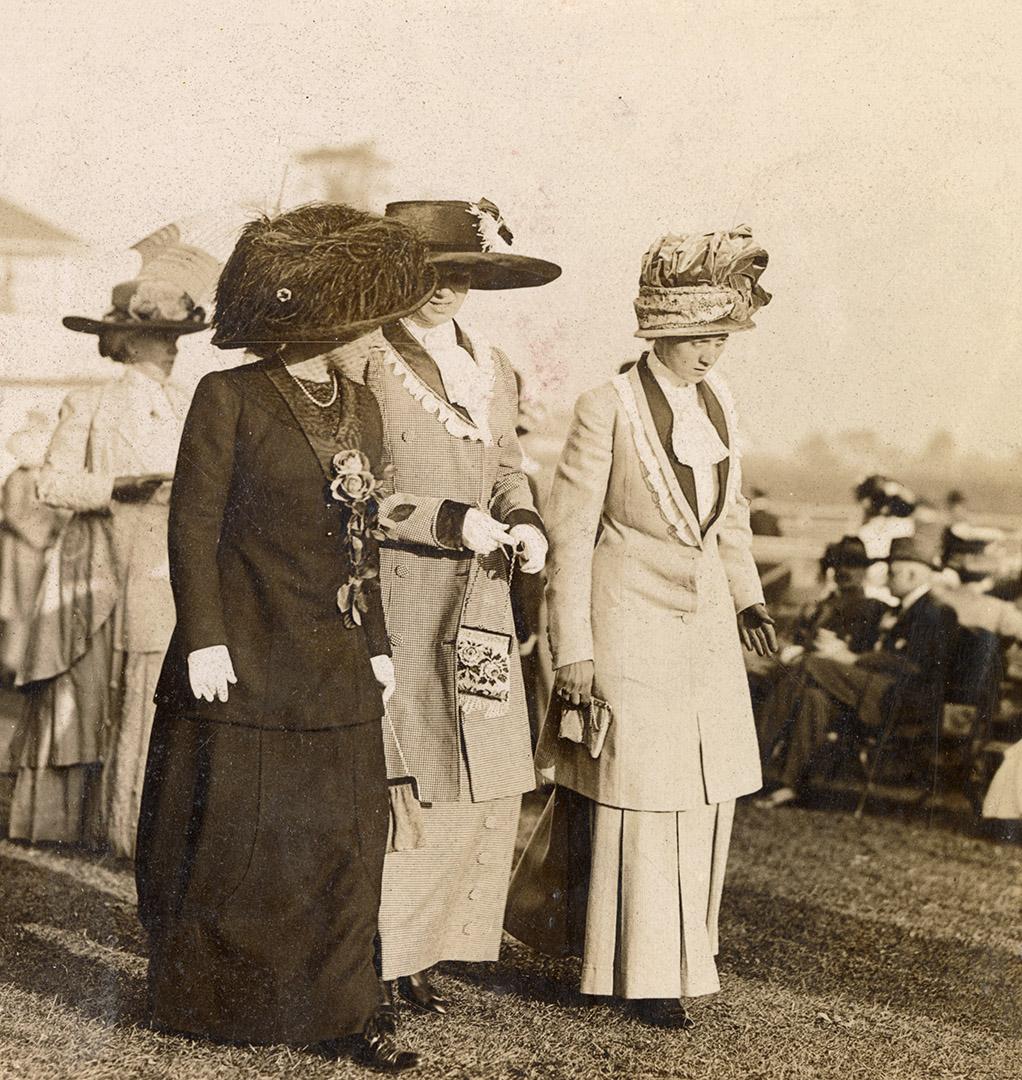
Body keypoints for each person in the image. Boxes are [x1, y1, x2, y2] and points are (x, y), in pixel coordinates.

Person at [135, 204, 434, 1071]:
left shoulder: (366, 408)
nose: (378, 340)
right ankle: (213, 1004)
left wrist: (376, 641)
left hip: (335, 659)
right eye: (369, 325)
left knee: (344, 838)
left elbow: (363, 531)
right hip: (246, 652)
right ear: (327, 323)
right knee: (240, 838)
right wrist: (205, 638)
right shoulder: (227, 395)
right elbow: (192, 527)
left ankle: (344, 1011)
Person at [507, 226, 776, 1028]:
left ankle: (682, 954)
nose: (709, 352)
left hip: (703, 641)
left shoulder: (721, 403)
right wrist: (575, 653)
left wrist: (748, 598)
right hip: (626, 629)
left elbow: (730, 524)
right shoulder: (606, 407)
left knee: (702, 794)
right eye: (696, 336)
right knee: (639, 796)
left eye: (721, 336)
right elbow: (572, 541)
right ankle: (635, 971)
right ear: (659, 329)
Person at [356, 198, 559, 1015]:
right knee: (418, 772)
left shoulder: (495, 367)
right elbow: (350, 487)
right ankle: (382, 950)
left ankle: (437, 945)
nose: (448, 292)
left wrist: (525, 518)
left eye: (464, 276)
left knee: (483, 776)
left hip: (482, 601)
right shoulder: (367, 359)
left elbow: (508, 463)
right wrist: (444, 519)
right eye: (434, 275)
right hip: (401, 597)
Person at [3, 279, 207, 852]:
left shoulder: (191, 402)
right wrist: (118, 484)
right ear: (125, 342)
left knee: (155, 677)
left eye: (175, 337)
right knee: (93, 687)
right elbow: (50, 482)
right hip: (101, 560)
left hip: (166, 557)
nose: (170, 348)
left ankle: (143, 818)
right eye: (156, 336)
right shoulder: (91, 404)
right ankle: (92, 820)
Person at [756, 534, 958, 808]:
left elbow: (913, 666)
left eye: (892, 570)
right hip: (876, 691)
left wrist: (852, 659)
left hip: (899, 700)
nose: (886, 576)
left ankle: (753, 761)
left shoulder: (934, 612)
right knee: (814, 698)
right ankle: (788, 784)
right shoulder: (900, 609)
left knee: (808, 665)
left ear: (912, 573)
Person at [754, 536, 888, 774]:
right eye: (838, 564)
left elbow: (853, 650)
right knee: (767, 680)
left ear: (864, 571)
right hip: (804, 673)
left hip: (838, 681)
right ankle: (766, 768)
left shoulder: (871, 607)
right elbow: (794, 636)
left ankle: (756, 761)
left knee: (801, 686)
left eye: (853, 565)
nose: (844, 571)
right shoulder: (821, 604)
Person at [0, 412, 63, 682]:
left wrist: (55, 534)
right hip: (23, 549)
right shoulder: (19, 478)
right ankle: (11, 664)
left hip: (38, 548)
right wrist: (42, 538)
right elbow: (14, 515)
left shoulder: (38, 478)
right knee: (21, 606)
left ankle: (22, 663)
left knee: (34, 606)